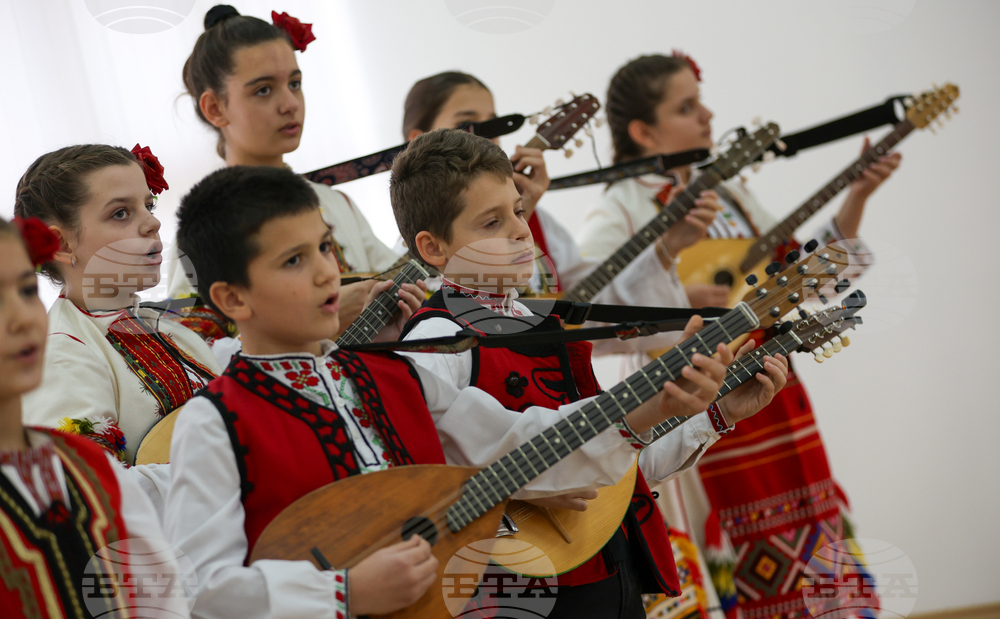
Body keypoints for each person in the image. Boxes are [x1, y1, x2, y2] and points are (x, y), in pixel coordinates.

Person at [164, 164, 733, 618]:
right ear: (233, 298)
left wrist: (653, 405)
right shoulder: (215, 420)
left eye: (326, 248)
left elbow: (521, 445)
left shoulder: (392, 377)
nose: (324, 273)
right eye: (294, 260)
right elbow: (201, 588)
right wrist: (343, 593)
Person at [390, 129, 788, 619]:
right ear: (433, 248)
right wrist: (646, 409)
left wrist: (715, 412)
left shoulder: (545, 326)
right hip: (517, 590)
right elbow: (504, 450)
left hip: (608, 565)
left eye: (518, 210)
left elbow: (614, 469)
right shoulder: (432, 342)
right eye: (491, 222)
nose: (520, 230)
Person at [580, 53, 900, 619]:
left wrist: (856, 197)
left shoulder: (721, 189)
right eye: (686, 107)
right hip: (700, 414)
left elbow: (804, 279)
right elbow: (588, 324)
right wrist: (678, 305)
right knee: (723, 560)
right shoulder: (620, 210)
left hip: (774, 390)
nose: (707, 115)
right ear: (642, 131)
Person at [403, 71, 720, 353]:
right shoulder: (408, 256)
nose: (487, 137)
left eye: (495, 124)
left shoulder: (539, 224)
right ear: (419, 141)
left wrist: (667, 248)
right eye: (468, 125)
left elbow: (595, 313)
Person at [169, 4, 400, 340]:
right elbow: (193, 351)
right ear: (215, 108)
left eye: (295, 83)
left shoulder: (336, 204)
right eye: (263, 89)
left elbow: (401, 282)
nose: (289, 103)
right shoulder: (208, 224)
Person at [0, 214, 187, 619]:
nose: (22, 318)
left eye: (27, 290)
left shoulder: (86, 465)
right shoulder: (70, 348)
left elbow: (161, 601)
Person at [15, 145, 221, 480]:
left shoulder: (166, 326)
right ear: (63, 245)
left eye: (148, 205)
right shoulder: (63, 353)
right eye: (121, 213)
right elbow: (91, 489)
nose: (152, 222)